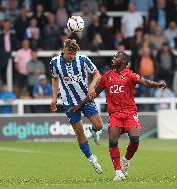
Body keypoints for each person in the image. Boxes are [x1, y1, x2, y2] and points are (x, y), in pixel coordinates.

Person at [70, 52, 166, 181]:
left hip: (130, 112)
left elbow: (145, 82)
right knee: (113, 140)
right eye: (114, 56)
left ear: (124, 61)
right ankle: (118, 171)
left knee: (135, 139)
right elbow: (95, 94)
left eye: (117, 57)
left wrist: (157, 85)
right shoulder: (107, 76)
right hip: (115, 114)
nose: (113, 58)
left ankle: (125, 160)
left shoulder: (130, 75)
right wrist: (80, 105)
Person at [50, 39, 103, 174]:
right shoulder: (55, 62)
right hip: (69, 102)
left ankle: (94, 131)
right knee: (79, 131)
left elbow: (97, 74)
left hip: (85, 99)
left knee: (99, 125)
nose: (71, 56)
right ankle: (92, 158)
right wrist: (54, 97)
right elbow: (55, 78)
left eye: (74, 54)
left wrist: (92, 85)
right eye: (69, 53)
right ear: (64, 50)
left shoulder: (83, 59)